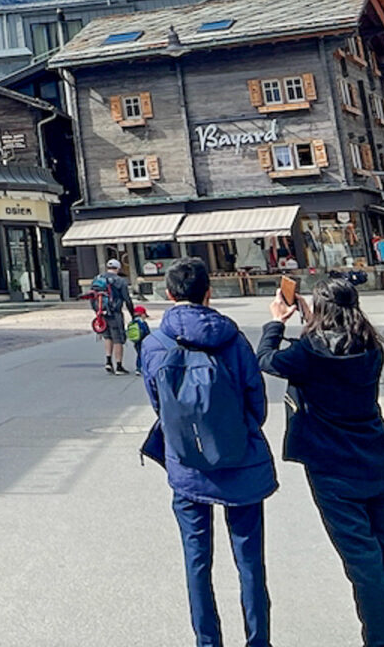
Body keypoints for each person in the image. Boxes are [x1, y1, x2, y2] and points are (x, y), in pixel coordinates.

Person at [258, 279, 384, 647]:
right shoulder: (370, 346)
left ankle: (381, 640)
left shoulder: (307, 354)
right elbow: (332, 348)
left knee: (364, 562)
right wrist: (311, 320)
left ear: (321, 310)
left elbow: (267, 360)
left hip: (332, 468)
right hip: (378, 459)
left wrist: (277, 321)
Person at [140, 258, 277, 647]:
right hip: (241, 458)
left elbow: (159, 403)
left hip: (186, 461)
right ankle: (258, 640)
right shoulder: (234, 339)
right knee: (250, 559)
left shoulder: (154, 344)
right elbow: (257, 400)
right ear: (208, 292)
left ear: (168, 294)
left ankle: (207, 640)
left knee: (197, 559)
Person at [91, 257, 133, 375]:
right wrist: (133, 314)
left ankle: (108, 361)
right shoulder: (120, 281)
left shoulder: (98, 279)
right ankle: (119, 366)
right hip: (115, 313)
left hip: (101, 313)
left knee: (107, 337)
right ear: (118, 268)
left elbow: (92, 296)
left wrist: (97, 312)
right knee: (118, 338)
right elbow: (127, 299)